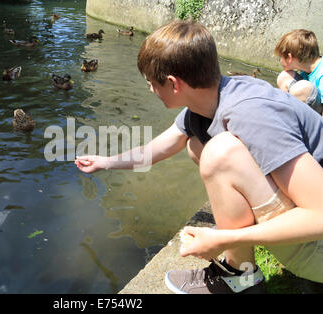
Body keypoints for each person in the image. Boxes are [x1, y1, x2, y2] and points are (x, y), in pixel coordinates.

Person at [75, 19, 323, 294]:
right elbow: (159, 148)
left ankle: (238, 278)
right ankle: (241, 275)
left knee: (219, 153)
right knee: (197, 146)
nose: (150, 91)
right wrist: (105, 162)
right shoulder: (212, 100)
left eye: (151, 83)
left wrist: (223, 238)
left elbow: (320, 215)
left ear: (172, 83)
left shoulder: (251, 114)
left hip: (318, 243)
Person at [275, 29, 323, 116]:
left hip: (318, 121)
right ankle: (283, 114)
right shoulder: (306, 69)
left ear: (290, 58)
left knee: (303, 88)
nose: (280, 61)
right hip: (309, 109)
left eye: (280, 58)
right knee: (284, 77)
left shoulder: (321, 74)